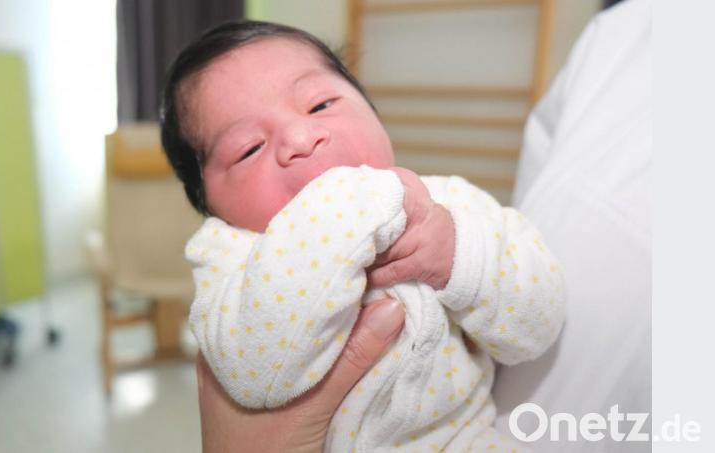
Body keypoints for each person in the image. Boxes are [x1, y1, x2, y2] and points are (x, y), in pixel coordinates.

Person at [160, 20, 566, 452]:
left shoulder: (445, 203)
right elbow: (257, 373)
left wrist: (459, 255)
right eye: (248, 148)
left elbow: (540, 323)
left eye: (319, 105)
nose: (299, 138)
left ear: (372, 109)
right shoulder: (230, 258)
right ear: (212, 207)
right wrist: (337, 210)